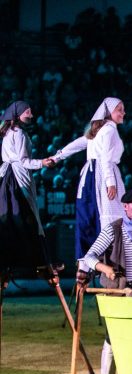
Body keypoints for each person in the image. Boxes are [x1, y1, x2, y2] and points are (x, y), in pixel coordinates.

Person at [76, 188, 132, 374]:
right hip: (116, 291)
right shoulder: (113, 229)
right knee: (113, 335)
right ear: (125, 207)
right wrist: (104, 268)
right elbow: (88, 257)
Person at [52, 97, 127, 259]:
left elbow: (78, 143)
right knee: (110, 215)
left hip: (91, 174)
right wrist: (110, 182)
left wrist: (57, 157)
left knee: (90, 215)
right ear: (108, 112)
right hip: (102, 173)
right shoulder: (109, 130)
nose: (123, 113)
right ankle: (108, 260)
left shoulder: (99, 130)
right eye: (119, 109)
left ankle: (87, 262)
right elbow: (106, 157)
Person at [0, 101, 55, 270]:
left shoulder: (9, 132)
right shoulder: (19, 133)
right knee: (26, 216)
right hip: (17, 178)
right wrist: (42, 163)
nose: (31, 116)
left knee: (10, 216)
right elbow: (23, 161)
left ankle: (10, 261)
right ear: (18, 115)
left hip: (7, 177)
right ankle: (33, 261)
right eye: (28, 113)